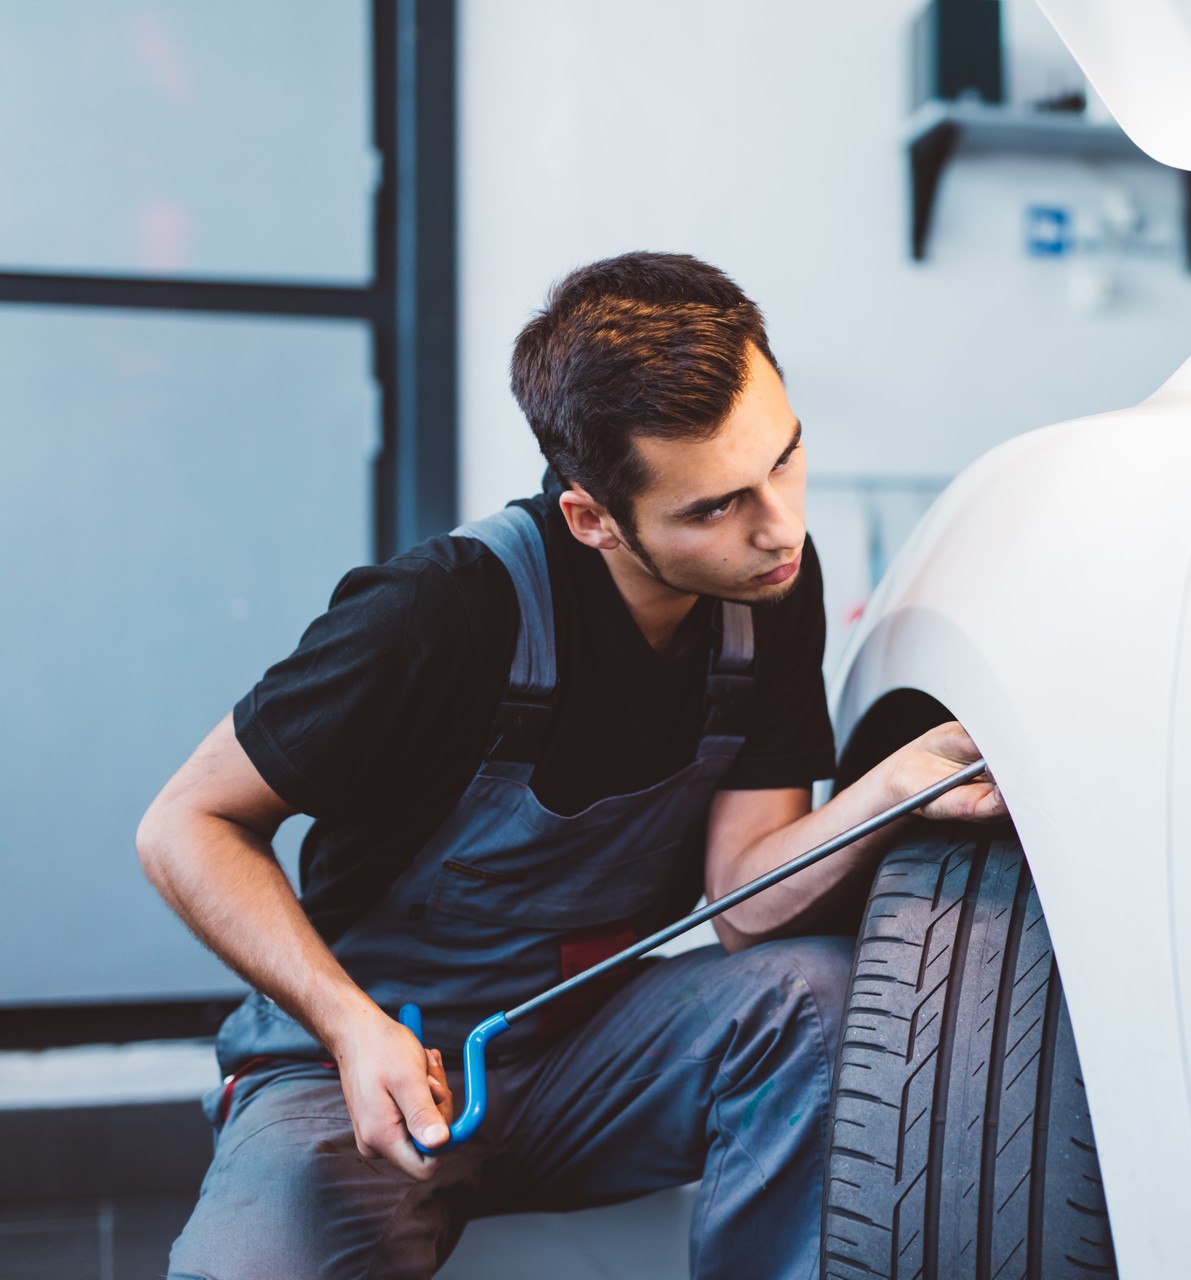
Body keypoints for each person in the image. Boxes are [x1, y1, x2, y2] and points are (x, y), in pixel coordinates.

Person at [137, 251, 1004, 1280]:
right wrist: (348, 1023)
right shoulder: (436, 615)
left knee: (814, 994)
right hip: (362, 1063)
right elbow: (184, 825)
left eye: (785, 457)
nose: (779, 524)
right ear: (591, 517)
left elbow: (744, 898)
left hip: (585, 1051)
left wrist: (894, 787)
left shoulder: (767, 587)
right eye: (713, 506)